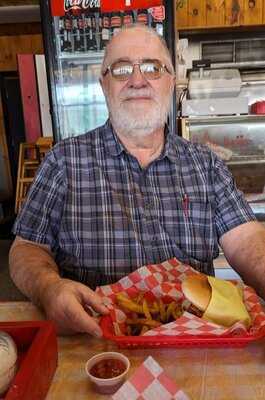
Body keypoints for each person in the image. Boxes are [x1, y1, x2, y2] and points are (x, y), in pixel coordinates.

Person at [9, 24, 265, 337]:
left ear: (171, 81)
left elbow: (248, 241)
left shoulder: (206, 165)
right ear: (104, 85)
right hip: (95, 343)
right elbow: (25, 249)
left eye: (152, 67)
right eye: (120, 69)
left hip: (196, 347)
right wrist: (48, 288)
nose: (137, 80)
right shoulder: (63, 162)